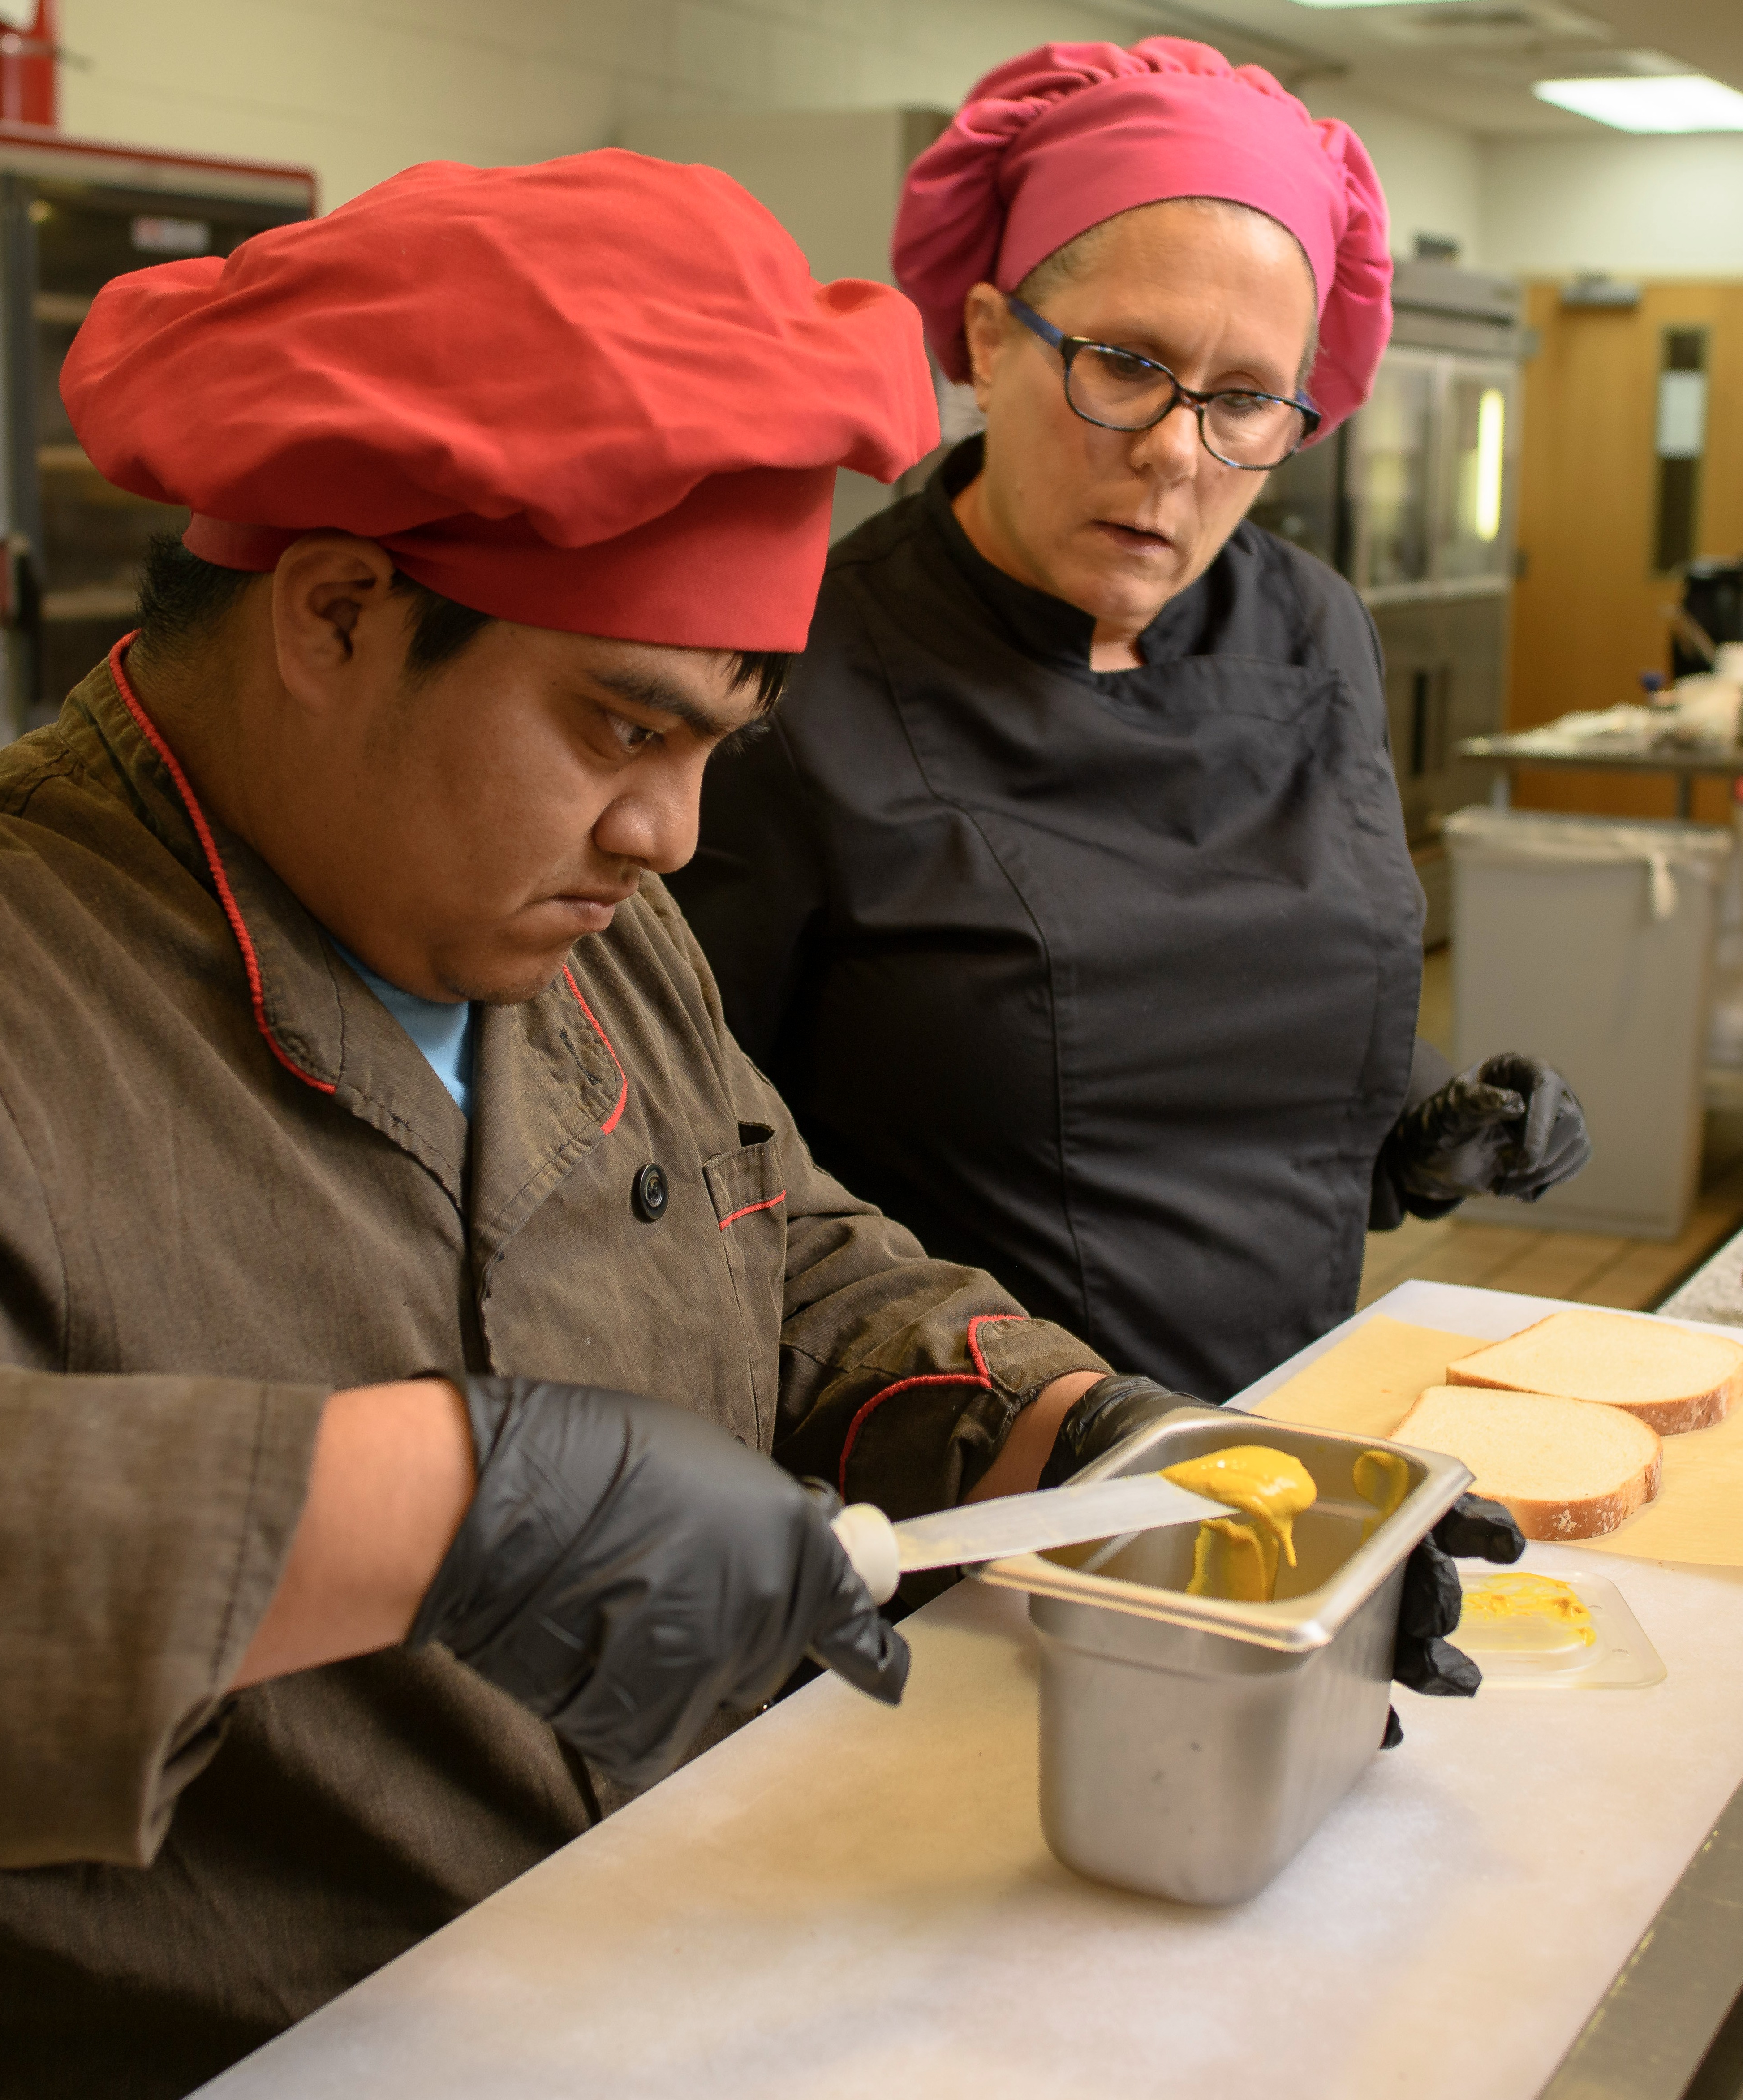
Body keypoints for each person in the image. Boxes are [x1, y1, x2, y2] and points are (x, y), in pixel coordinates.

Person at [0, 151, 1150, 2100]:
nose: (671, 833)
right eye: (620, 728)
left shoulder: (585, 931)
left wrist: (1091, 1441)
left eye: (719, 743)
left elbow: (778, 1249)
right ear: (340, 610)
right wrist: (437, 1502)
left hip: (627, 1998)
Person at [670, 38, 1589, 1404]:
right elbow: (695, 1152)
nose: (1174, 450)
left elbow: (1286, 943)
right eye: (1123, 363)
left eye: (1246, 401)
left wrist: (1414, 1115)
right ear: (987, 341)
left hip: (1291, 1413)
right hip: (965, 1465)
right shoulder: (798, 676)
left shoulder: (1313, 628)